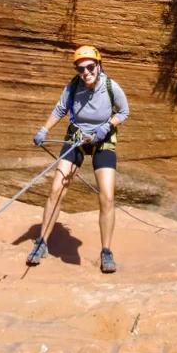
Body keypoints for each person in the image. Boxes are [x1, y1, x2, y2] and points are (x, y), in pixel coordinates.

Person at [27, 45, 129, 274]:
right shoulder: (73, 86)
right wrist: (44, 130)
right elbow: (60, 109)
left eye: (90, 66)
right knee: (56, 189)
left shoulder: (111, 87)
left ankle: (106, 251)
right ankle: (41, 242)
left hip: (103, 141)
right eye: (80, 68)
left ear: (99, 65)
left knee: (107, 196)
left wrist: (106, 128)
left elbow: (123, 112)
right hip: (76, 139)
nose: (85, 72)